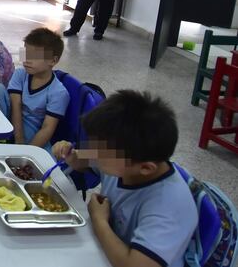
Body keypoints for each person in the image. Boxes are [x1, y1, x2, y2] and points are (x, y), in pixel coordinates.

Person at [53, 91, 197, 267]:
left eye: (101, 153)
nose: (95, 153)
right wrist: (70, 154)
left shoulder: (169, 207)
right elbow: (85, 159)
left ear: (145, 168)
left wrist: (99, 221)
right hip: (104, 249)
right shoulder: (124, 159)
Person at [0, 28, 69, 152]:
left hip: (35, 134)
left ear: (53, 61)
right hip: (12, 121)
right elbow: (16, 106)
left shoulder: (59, 92)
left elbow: (47, 128)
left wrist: (26, 152)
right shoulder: (21, 74)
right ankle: (1, 135)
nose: (26, 60)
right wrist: (18, 140)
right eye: (25, 53)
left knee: (49, 164)